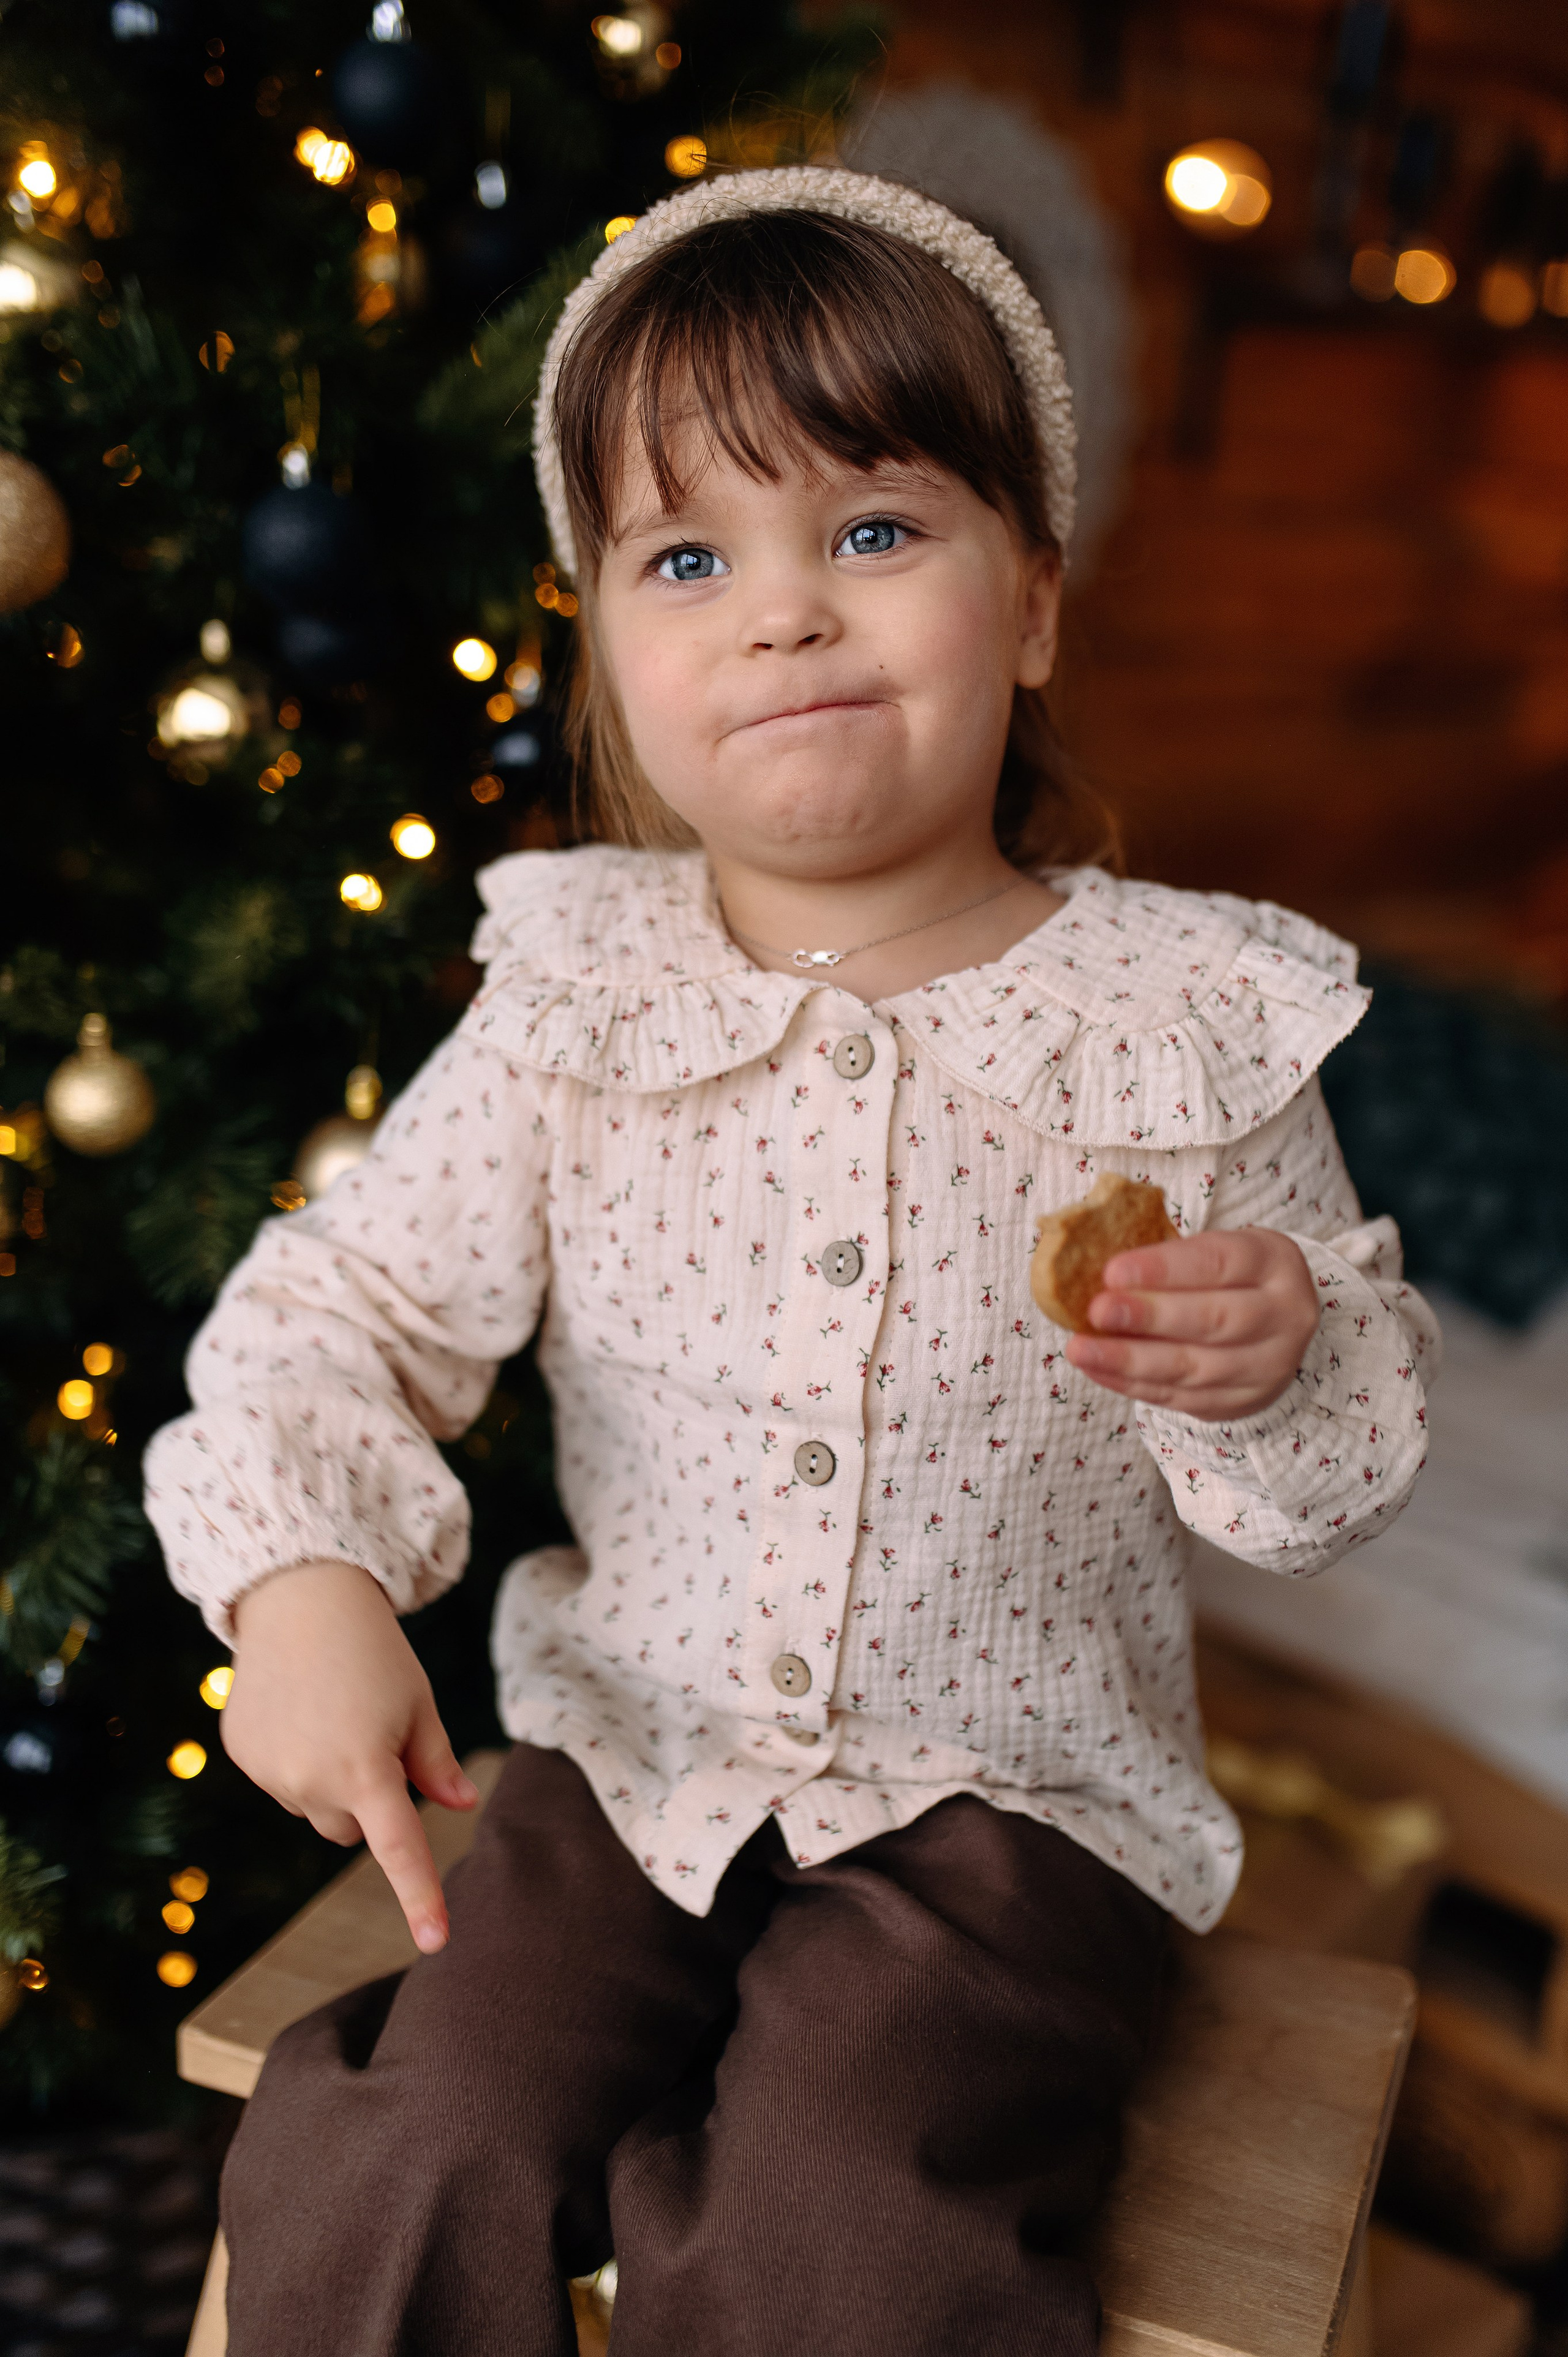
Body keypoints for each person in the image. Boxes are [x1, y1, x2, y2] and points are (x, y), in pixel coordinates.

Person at [145, 168, 1439, 2357]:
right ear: (607, 650)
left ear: (1029, 599)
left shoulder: (1175, 1022)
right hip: (626, 1763)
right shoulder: (576, 999)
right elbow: (337, 1312)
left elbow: (1321, 1488)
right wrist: (298, 1583)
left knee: (845, 2212)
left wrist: (1285, 1348)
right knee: (404, 2136)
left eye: (870, 530)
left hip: (1013, 1808)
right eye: (685, 557)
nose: (782, 615)